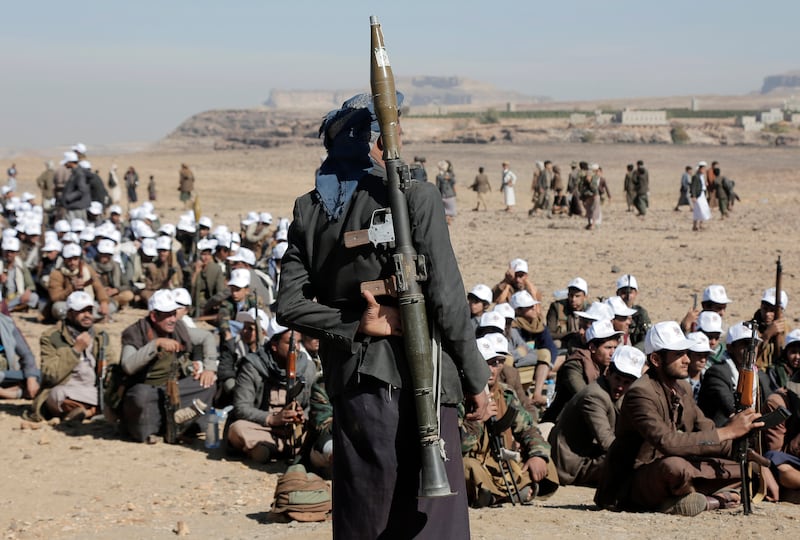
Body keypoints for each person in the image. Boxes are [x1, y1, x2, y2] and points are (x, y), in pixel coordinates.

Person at [275, 92, 489, 538]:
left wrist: (352, 327)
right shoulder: (417, 195)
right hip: (425, 379)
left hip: (354, 382)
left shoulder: (309, 209)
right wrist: (475, 379)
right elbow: (448, 300)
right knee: (433, 520)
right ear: (378, 140)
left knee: (366, 513)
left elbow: (289, 305)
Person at [595, 321, 771, 515]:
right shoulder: (640, 393)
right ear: (656, 359)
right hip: (632, 481)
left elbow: (706, 429)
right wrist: (728, 431)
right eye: (678, 354)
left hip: (672, 468)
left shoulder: (682, 388)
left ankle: (690, 498)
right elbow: (668, 442)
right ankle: (706, 499)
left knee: (748, 468)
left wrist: (738, 448)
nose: (687, 359)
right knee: (675, 468)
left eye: (686, 353)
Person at [459, 336, 557, 507]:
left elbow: (528, 428)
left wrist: (537, 455)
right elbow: (457, 446)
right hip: (475, 463)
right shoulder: (459, 397)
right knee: (467, 468)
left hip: (501, 462)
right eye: (486, 363)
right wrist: (479, 419)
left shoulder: (505, 394)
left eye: (497, 363)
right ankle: (506, 493)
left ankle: (496, 495)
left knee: (545, 463)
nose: (492, 370)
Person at [119, 289, 217, 443]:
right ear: (153, 316)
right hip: (147, 389)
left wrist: (209, 369)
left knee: (207, 385)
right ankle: (170, 424)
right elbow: (128, 366)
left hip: (173, 388)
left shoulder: (179, 328)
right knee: (140, 397)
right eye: (167, 315)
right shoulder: (135, 332)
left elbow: (207, 337)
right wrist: (155, 344)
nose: (172, 319)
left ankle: (178, 423)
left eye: (174, 314)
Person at [549, 345, 645, 486]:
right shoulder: (595, 396)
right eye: (617, 379)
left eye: (626, 383)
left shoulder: (618, 394)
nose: (620, 386)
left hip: (589, 454)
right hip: (573, 467)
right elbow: (607, 442)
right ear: (608, 373)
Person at [227, 315, 316, 463]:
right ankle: (278, 448)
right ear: (274, 345)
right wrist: (272, 419)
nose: (296, 348)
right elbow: (241, 408)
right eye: (290, 343)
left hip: (295, 430)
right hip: (262, 428)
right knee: (237, 429)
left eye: (299, 342)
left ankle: (272, 449)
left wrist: (302, 416)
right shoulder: (253, 366)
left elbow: (313, 405)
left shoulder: (307, 367)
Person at [32, 291, 112, 422]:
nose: (87, 315)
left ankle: (85, 412)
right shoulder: (51, 336)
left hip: (95, 389)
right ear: (69, 313)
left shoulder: (100, 335)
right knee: (56, 395)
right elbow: (50, 374)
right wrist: (75, 350)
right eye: (81, 311)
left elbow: (111, 365)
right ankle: (92, 410)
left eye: (89, 311)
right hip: (68, 389)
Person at [543, 318, 621, 423]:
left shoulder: (610, 367)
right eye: (608, 348)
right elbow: (585, 396)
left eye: (615, 348)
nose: (612, 353)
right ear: (592, 348)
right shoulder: (574, 366)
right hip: (564, 423)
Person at [698, 322, 766, 427]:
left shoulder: (759, 374)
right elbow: (730, 406)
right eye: (745, 344)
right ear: (730, 347)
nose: (750, 350)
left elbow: (770, 402)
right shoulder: (717, 372)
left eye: (754, 345)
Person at [46, 243, 110, 322]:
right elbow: (55, 297)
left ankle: (84, 317)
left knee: (109, 307)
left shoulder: (87, 269)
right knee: (57, 308)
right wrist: (72, 288)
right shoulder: (56, 274)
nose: (72, 262)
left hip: (87, 303)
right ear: (64, 259)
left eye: (75, 259)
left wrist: (103, 302)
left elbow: (99, 288)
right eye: (69, 259)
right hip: (68, 305)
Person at [0, 310, 39, 400]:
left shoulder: (6, 323)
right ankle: (9, 393)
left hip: (6, 375)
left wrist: (31, 378)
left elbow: (26, 354)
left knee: (41, 377)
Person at [0, 236, 39, 312]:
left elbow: (30, 285)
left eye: (12, 252)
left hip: (17, 297)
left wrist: (27, 292)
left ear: (16, 253)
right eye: (7, 251)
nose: (9, 254)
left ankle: (11, 308)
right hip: (3, 297)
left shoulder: (20, 265)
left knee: (34, 297)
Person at [753, 287, 788, 370]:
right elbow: (748, 357)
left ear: (781, 312)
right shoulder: (750, 328)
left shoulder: (788, 331)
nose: (768, 314)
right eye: (765, 308)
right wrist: (766, 336)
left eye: (773, 310)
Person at [615, 274, 651, 348]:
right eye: (624, 293)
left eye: (630, 292)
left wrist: (633, 351)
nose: (628, 297)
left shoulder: (640, 314)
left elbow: (646, 338)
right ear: (617, 294)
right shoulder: (611, 312)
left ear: (636, 293)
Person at [685, 332, 711, 402]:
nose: (703, 360)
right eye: (698, 355)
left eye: (706, 355)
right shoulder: (678, 381)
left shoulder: (710, 378)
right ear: (687, 354)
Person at [690, 161, 712, 231]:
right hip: (698, 196)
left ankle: (700, 225)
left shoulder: (702, 176)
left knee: (704, 209)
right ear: (700, 169)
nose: (704, 170)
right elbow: (693, 187)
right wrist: (693, 196)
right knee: (699, 209)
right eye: (703, 169)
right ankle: (695, 226)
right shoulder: (695, 177)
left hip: (702, 195)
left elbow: (702, 185)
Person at [435, 160, 457, 225]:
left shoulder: (439, 176)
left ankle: (446, 220)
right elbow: (453, 183)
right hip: (450, 194)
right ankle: (448, 220)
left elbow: (438, 186)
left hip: (443, 194)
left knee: (444, 210)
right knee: (450, 210)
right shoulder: (450, 175)